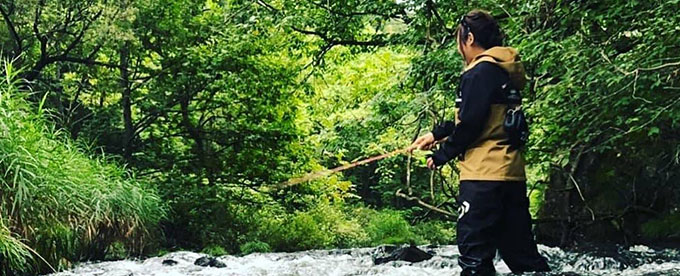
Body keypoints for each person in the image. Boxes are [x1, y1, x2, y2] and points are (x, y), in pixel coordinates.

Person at [409, 10, 551, 276]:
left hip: (483, 178)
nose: (459, 48)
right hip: (511, 175)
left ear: (470, 38)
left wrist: (442, 154)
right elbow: (485, 117)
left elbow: (472, 124)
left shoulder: (479, 72)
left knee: (475, 257)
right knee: (524, 258)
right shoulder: (503, 71)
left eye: (459, 41)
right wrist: (437, 134)